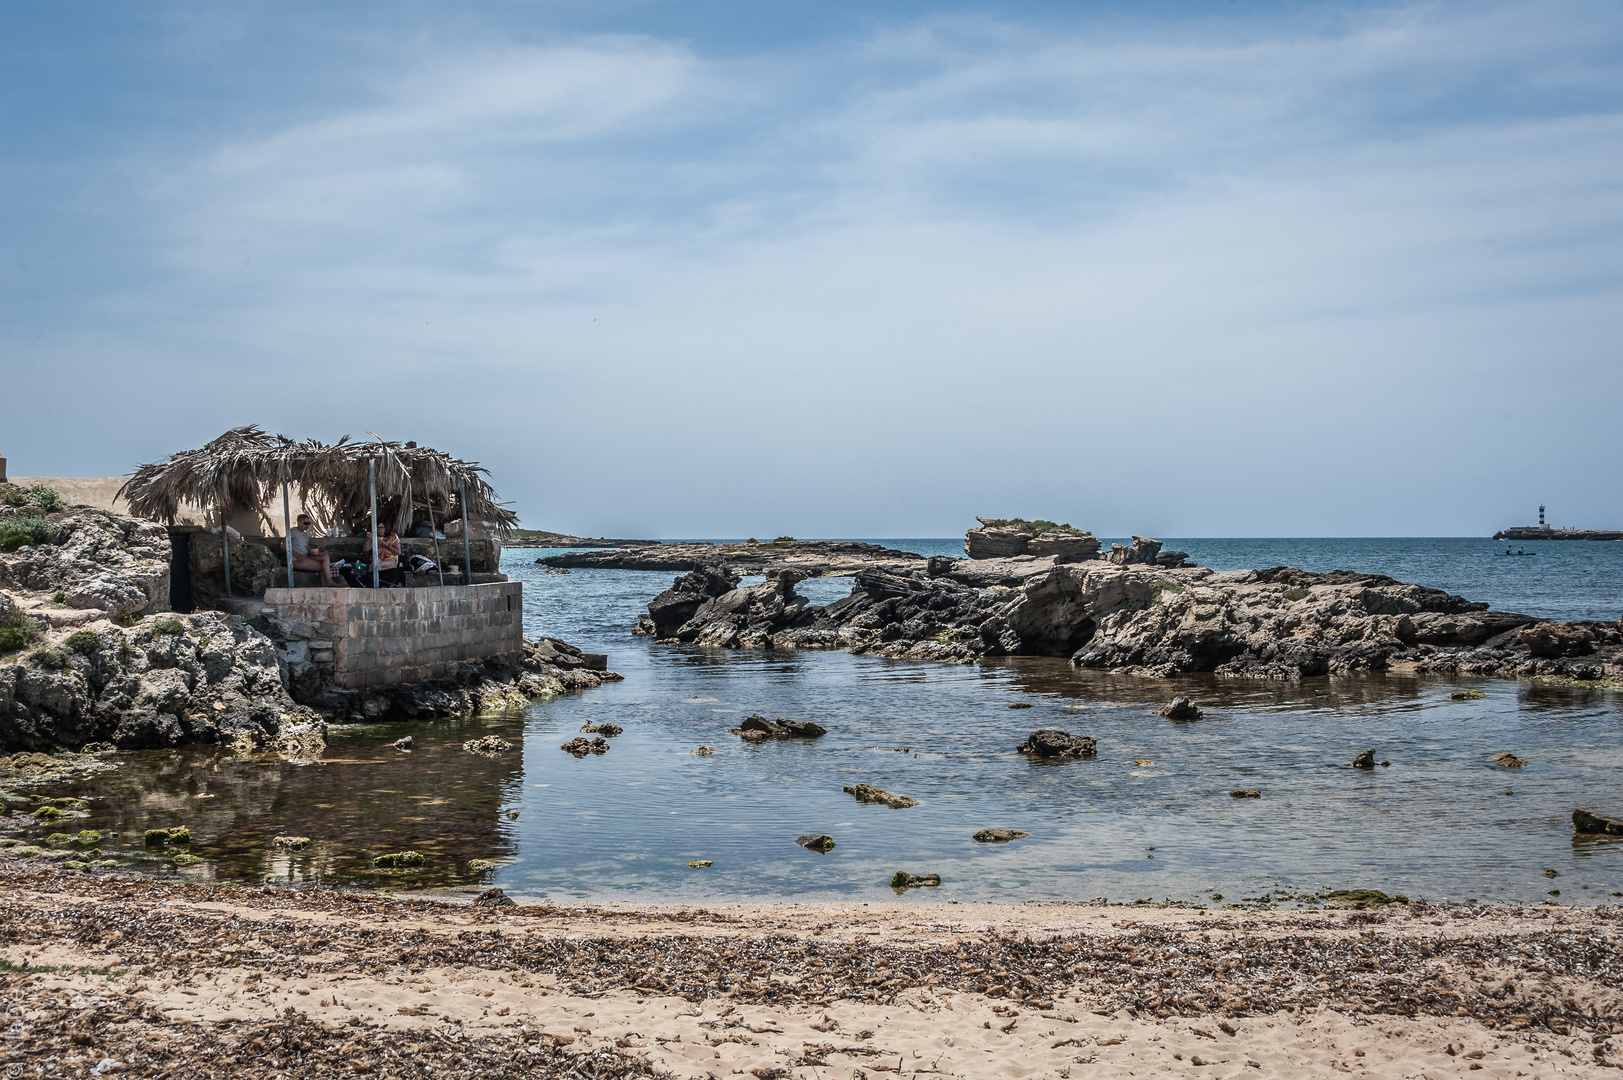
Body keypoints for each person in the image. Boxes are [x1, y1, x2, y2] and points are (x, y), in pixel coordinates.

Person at [288, 514, 335, 586]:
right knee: (323, 567)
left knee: (325, 556)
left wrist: (314, 552)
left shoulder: (305, 534)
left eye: (308, 524)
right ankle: (327, 584)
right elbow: (284, 546)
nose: (307, 525)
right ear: (299, 522)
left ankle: (328, 582)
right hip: (297, 559)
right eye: (305, 523)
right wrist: (297, 555)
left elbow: (308, 548)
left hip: (306, 555)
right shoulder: (292, 532)